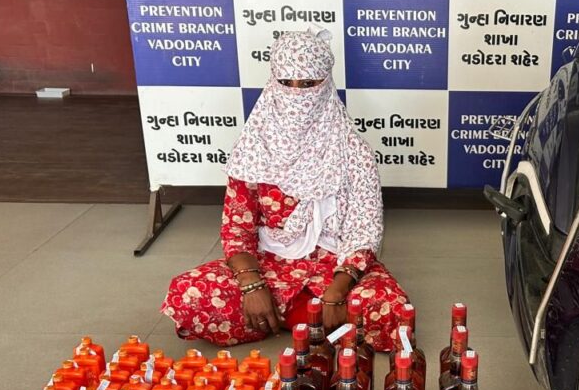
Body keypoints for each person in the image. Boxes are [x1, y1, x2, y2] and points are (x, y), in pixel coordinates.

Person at [160, 29, 407, 350]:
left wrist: (336, 293)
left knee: (391, 311)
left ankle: (291, 317)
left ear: (326, 84)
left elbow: (364, 231)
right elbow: (237, 229)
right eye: (286, 83)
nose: (295, 96)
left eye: (307, 84)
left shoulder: (353, 151)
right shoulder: (253, 148)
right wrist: (251, 285)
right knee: (188, 295)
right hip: (269, 266)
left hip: (336, 269)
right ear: (272, 82)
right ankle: (310, 320)